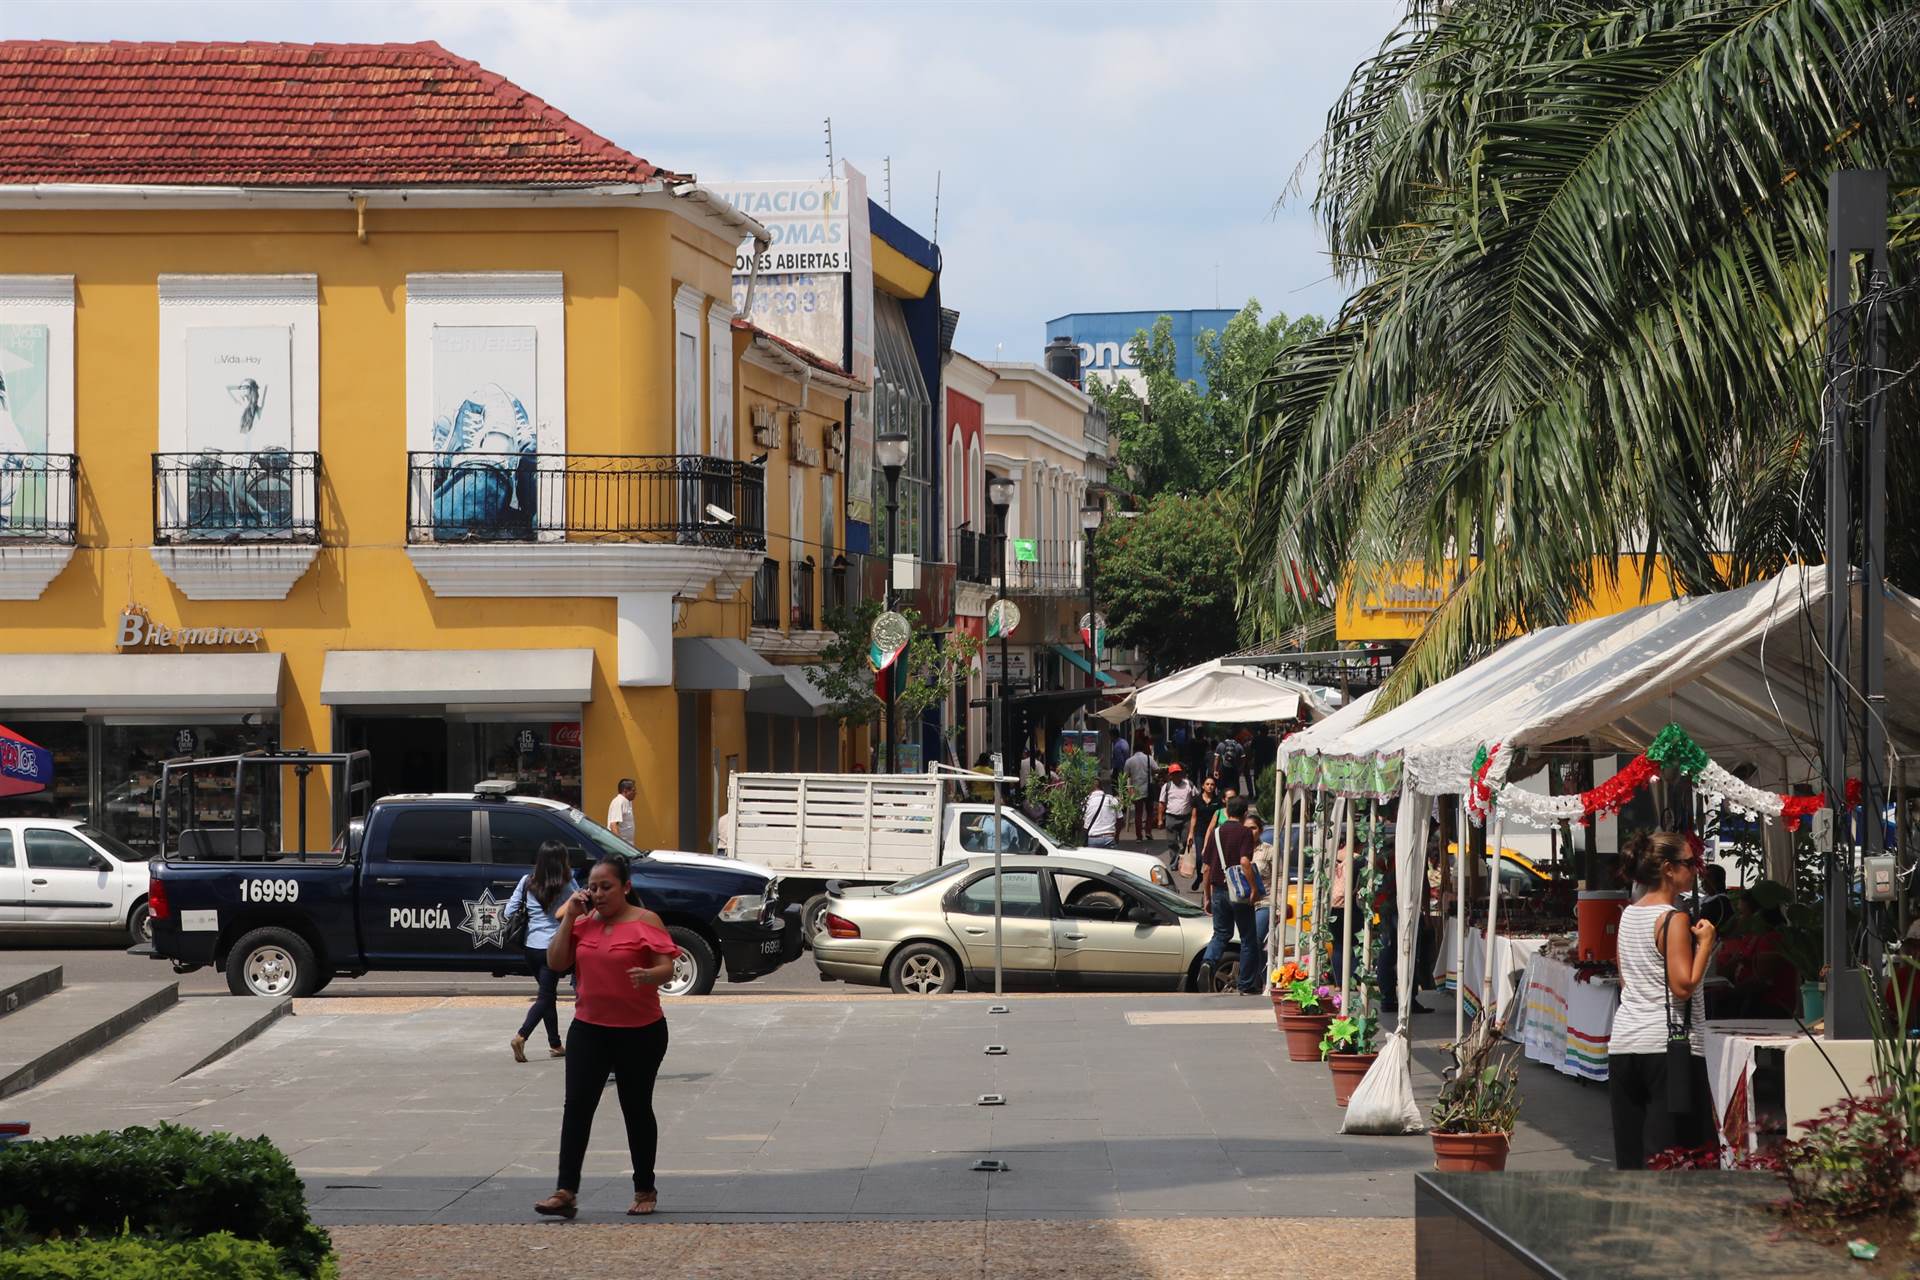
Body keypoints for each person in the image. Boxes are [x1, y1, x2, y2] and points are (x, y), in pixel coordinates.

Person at [535, 853, 681, 1219]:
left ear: (625, 887)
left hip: (641, 1032)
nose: (598, 894)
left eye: (606, 887)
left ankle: (644, 1187)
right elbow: (555, 962)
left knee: (635, 1108)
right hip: (589, 1029)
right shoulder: (583, 923)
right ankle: (565, 1191)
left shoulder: (646, 921)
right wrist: (569, 916)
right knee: (577, 1109)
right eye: (593, 887)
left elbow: (668, 966)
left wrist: (651, 976)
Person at [1608, 831, 1715, 1171]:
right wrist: (1707, 945)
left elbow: (1626, 981)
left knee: (1632, 1155)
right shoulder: (1673, 918)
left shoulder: (1628, 915)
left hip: (1625, 1042)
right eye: (1690, 863)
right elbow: (1683, 986)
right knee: (1671, 1156)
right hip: (1668, 1049)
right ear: (1669, 869)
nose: (1696, 870)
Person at [505, 841, 575, 1063]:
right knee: (546, 996)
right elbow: (580, 903)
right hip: (553, 948)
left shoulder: (527, 881)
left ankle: (555, 1044)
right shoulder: (567, 882)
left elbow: (509, 911)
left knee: (548, 993)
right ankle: (521, 1035)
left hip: (531, 947)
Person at [1199, 797, 1262, 994]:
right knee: (1248, 938)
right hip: (1239, 893)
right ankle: (1245, 984)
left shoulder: (1217, 832)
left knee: (1221, 933)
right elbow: (1244, 862)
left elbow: (1207, 868)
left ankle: (1208, 962)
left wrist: (1206, 895)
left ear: (1226, 811)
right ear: (1245, 814)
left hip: (1218, 890)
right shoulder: (1244, 833)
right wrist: (1253, 888)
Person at [1186, 777, 1225, 890]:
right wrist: (1190, 834)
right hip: (1199, 832)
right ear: (1203, 786)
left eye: (1212, 784)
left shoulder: (1217, 801)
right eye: (1207, 784)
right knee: (1199, 858)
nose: (1210, 786)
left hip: (1214, 833)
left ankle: (1210, 882)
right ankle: (1199, 876)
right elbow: (1193, 817)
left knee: (1211, 858)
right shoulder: (1197, 800)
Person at [1157, 764, 1197, 861]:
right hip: (1171, 817)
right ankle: (1174, 861)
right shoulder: (1167, 787)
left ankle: (1184, 858)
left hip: (1186, 818)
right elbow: (1161, 803)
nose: (1176, 775)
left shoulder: (1189, 785)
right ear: (1170, 775)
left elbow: (1196, 799)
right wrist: (1160, 819)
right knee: (1172, 842)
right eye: (1174, 774)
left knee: (1186, 840)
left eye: (1178, 773)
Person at [1123, 742, 1154, 842]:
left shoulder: (1129, 761)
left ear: (1134, 750)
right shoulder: (1149, 758)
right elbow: (1157, 769)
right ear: (1143, 749)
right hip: (1148, 788)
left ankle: (1139, 836)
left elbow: (1125, 776)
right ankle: (1148, 831)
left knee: (1138, 813)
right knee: (1149, 812)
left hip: (1136, 789)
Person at [1082, 778, 1120, 848]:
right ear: (1102, 787)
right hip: (1109, 837)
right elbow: (1120, 819)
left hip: (1093, 838)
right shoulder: (1112, 800)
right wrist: (1117, 836)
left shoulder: (1086, 801)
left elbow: (1084, 824)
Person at [606, 778, 636, 844]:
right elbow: (613, 825)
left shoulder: (627, 802)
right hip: (621, 847)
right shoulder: (619, 802)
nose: (635, 793)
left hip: (628, 845)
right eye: (633, 790)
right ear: (625, 791)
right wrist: (621, 845)